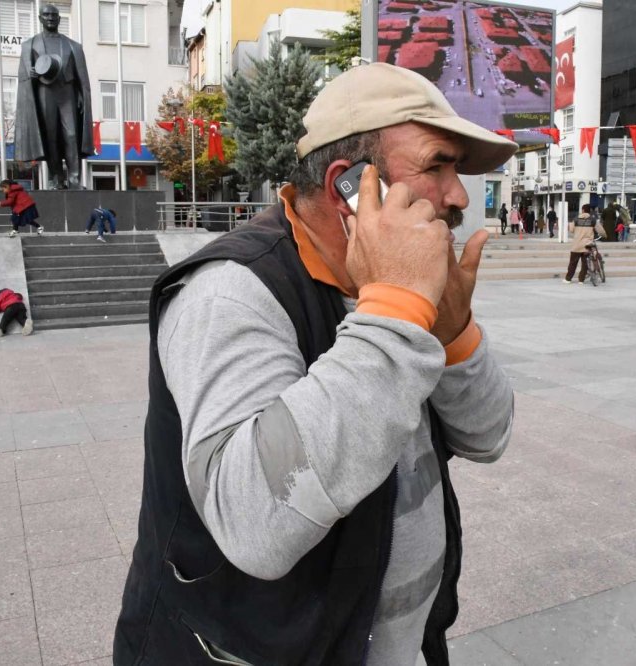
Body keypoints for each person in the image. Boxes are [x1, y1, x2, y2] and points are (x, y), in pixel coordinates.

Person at [113, 62, 516, 665]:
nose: (459, 195)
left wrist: (454, 335)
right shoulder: (230, 292)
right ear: (348, 184)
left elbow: (489, 436)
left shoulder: (391, 285)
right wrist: (397, 314)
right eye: (437, 165)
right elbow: (256, 523)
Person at [14, 4, 94, 189]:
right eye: (46, 15)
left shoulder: (73, 45)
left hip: (67, 93)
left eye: (54, 15)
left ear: (59, 19)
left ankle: (74, 178)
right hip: (44, 93)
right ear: (40, 18)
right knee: (50, 136)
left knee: (72, 135)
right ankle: (55, 178)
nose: (50, 18)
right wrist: (31, 75)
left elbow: (81, 75)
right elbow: (23, 76)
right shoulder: (30, 45)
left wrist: (82, 95)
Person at [564, 203, 606, 283]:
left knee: (572, 263)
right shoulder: (593, 220)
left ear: (583, 210)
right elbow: (601, 231)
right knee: (585, 264)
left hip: (577, 245)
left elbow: (571, 230)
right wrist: (605, 235)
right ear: (589, 211)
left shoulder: (576, 219)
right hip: (587, 245)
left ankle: (568, 279)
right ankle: (581, 280)